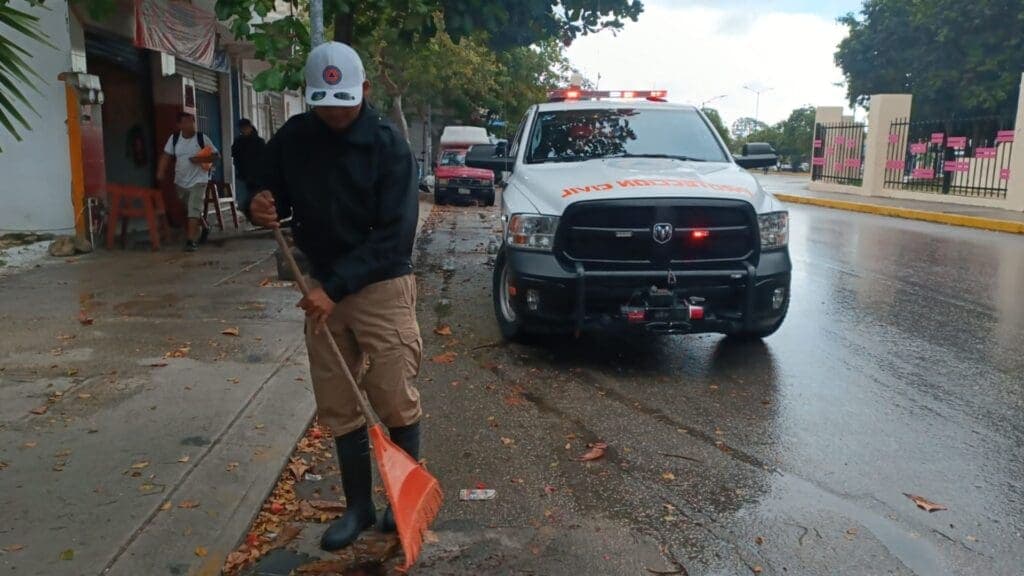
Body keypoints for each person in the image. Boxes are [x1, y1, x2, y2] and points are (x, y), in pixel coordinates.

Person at [247, 42, 423, 552]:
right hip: (321, 285)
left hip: (380, 285)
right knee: (339, 402)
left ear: (364, 91)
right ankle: (358, 507)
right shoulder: (296, 137)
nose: (335, 113)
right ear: (311, 97)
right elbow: (261, 182)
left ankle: (401, 496)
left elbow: (395, 235)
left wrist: (334, 289)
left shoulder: (389, 146)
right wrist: (254, 201)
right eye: (324, 104)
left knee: (393, 393)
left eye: (344, 102)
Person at [157, 112, 219, 251]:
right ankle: (205, 226)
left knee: (193, 208)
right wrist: (160, 172)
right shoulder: (174, 139)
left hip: (199, 180)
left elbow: (216, 156)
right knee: (189, 209)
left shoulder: (202, 138)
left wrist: (199, 160)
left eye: (192, 122)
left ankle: (191, 241)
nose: (190, 125)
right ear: (179, 125)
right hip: (180, 182)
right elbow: (166, 156)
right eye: (185, 122)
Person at [230, 118, 265, 215]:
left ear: (250, 127)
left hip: (257, 176)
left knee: (256, 198)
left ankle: (256, 215)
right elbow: (233, 154)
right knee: (243, 201)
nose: (243, 130)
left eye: (245, 128)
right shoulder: (238, 142)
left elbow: (264, 158)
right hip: (242, 174)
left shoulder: (259, 142)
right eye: (242, 128)